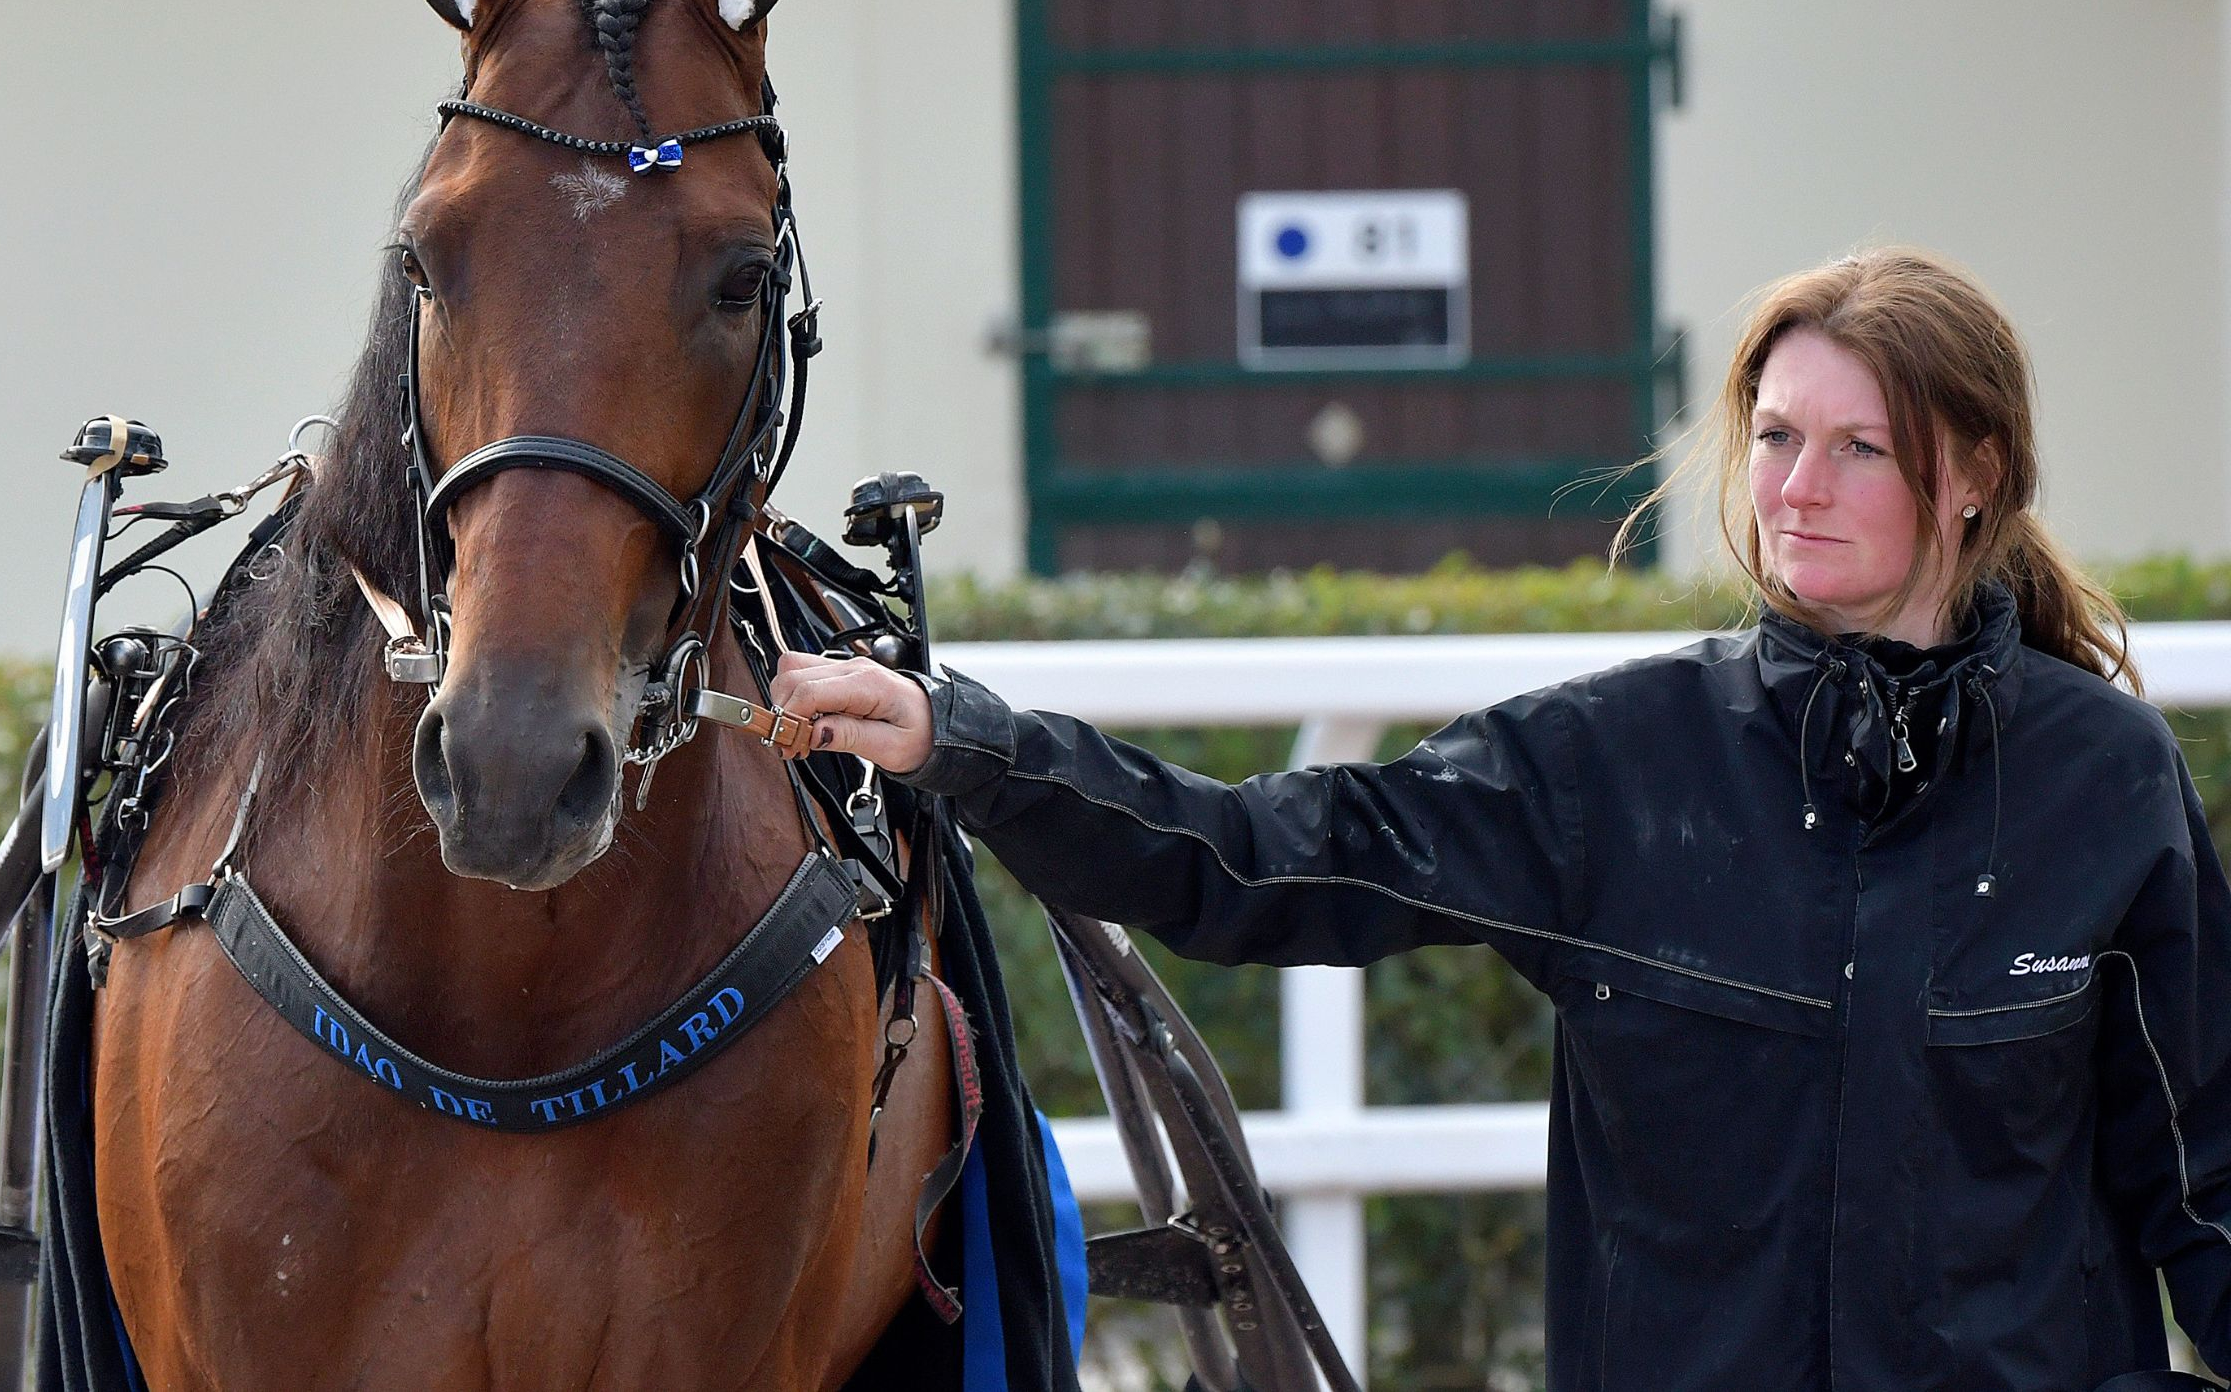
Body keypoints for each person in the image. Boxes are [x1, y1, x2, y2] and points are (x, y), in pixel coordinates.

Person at [774, 247, 2231, 1392]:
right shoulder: (1620, 762)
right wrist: (966, 742)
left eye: (1860, 447)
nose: (1794, 488)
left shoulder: (2104, 779)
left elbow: (2205, 1174)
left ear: (1974, 473)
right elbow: (1272, 856)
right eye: (1778, 434)